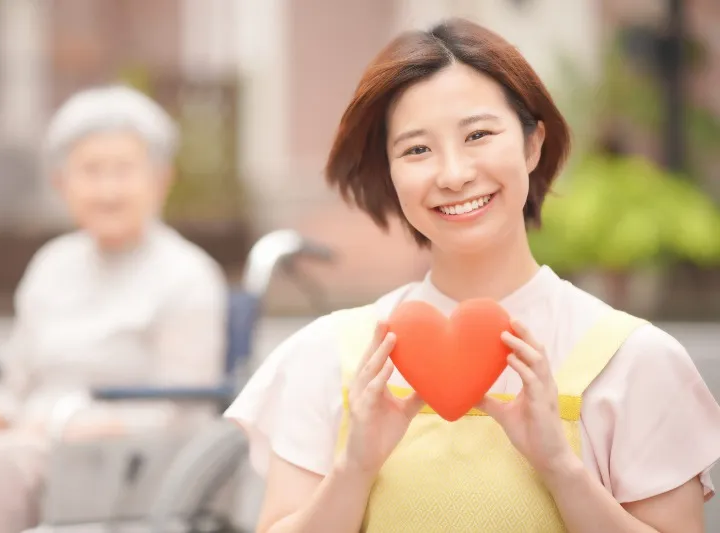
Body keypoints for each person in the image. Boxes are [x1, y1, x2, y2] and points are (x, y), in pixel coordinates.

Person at [224, 18, 720, 533]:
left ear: (532, 146)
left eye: (478, 135)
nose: (454, 173)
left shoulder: (634, 360)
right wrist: (355, 468)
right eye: (417, 149)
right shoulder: (326, 357)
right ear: (391, 173)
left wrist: (561, 468)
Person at [0, 85, 229, 533]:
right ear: (61, 182)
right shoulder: (52, 264)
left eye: (124, 169)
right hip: (30, 436)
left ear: (162, 178)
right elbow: (17, 384)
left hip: (122, 457)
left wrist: (61, 425)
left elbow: (180, 411)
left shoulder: (188, 275)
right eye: (90, 170)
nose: (107, 189)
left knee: (0, 459)